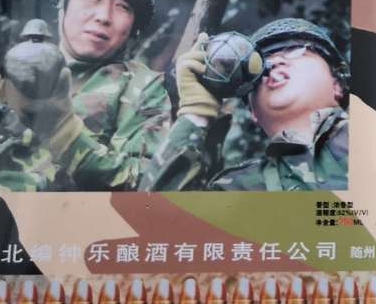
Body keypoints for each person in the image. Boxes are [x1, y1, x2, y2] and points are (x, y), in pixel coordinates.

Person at [0, 0, 172, 193]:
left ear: (133, 28)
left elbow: (149, 184)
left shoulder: (143, 87)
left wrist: (64, 131)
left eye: (123, 7)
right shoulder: (17, 68)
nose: (104, 16)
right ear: (62, 5)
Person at [145, 18, 349, 192]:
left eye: (295, 49)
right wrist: (196, 113)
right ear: (253, 112)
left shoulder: (368, 135)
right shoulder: (235, 188)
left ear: (337, 84)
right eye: (259, 65)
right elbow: (154, 219)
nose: (272, 64)